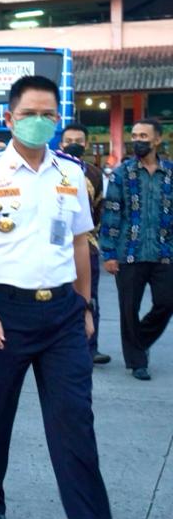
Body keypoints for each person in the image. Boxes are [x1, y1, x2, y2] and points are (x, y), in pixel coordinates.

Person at [0, 74, 133, 519]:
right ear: (10, 118)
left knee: (75, 418)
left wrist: (86, 305)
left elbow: (80, 243)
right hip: (3, 313)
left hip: (62, 316)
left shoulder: (70, 173)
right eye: (31, 113)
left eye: (49, 114)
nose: (41, 121)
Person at [100, 118, 173, 382]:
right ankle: (137, 361)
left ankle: (138, 340)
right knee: (128, 308)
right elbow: (111, 214)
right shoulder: (122, 173)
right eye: (134, 135)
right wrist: (108, 254)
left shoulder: (170, 173)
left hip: (165, 252)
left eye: (144, 136)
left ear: (157, 140)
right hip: (128, 253)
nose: (138, 140)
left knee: (166, 303)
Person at [58, 124, 112, 366]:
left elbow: (100, 209)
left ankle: (90, 347)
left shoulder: (94, 173)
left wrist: (92, 237)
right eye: (69, 140)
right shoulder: (53, 170)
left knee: (89, 296)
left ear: (86, 144)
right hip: (56, 244)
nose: (74, 143)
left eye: (78, 140)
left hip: (86, 245)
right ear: (61, 144)